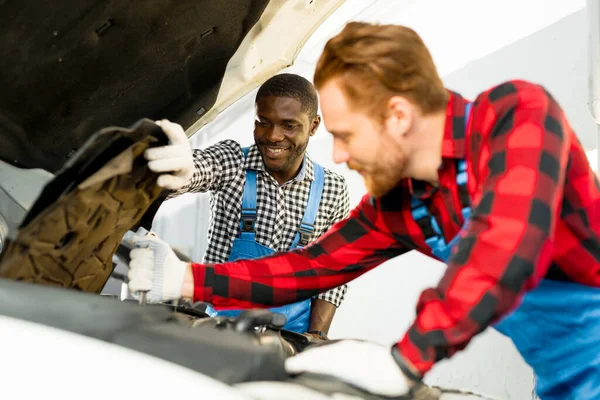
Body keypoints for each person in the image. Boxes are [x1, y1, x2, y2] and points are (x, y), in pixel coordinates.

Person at [129, 22, 600, 399]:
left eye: (345, 134)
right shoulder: (399, 206)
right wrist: (188, 280)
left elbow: (506, 249)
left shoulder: (516, 119)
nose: (337, 156)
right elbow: (309, 268)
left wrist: (404, 362)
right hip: (561, 379)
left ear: (396, 116)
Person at [140, 73, 349, 337]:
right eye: (264, 122)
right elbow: (197, 169)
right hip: (220, 331)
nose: (273, 136)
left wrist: (315, 338)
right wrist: (176, 171)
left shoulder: (333, 190)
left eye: (289, 126)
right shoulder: (233, 163)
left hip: (290, 340)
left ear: (314, 125)